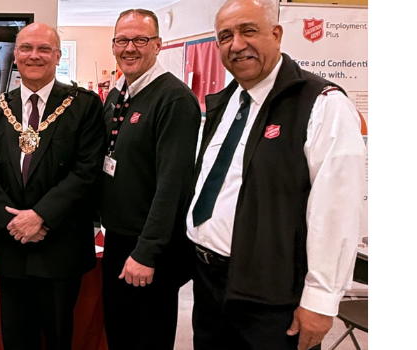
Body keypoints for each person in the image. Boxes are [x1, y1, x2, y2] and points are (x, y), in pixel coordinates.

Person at [186, 0, 366, 349]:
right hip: (209, 284)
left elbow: (336, 210)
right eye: (226, 36)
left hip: (272, 296)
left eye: (248, 31)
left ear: (277, 34)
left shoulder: (321, 104)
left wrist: (320, 300)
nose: (237, 44)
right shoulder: (226, 102)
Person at [0, 23, 105, 350]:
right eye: (26, 48)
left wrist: (40, 216)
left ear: (57, 56)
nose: (34, 55)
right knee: (15, 339)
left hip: (60, 246)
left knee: (58, 338)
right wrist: (14, 222)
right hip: (11, 245)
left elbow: (86, 171)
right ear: (15, 55)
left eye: (44, 48)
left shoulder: (84, 106)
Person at [97, 9, 200, 350]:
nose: (130, 48)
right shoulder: (118, 95)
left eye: (140, 40)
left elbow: (173, 185)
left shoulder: (174, 99)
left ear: (158, 45)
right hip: (118, 239)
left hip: (150, 248)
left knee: (147, 339)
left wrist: (147, 252)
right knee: (118, 335)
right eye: (122, 40)